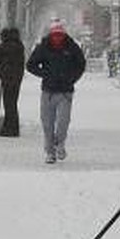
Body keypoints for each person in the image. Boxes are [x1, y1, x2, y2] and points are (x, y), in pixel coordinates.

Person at [26, 20, 86, 164]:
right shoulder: (43, 47)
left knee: (63, 123)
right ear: (50, 35)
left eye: (60, 35)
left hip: (66, 92)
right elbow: (30, 65)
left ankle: (59, 144)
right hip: (48, 92)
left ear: (64, 35)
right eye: (55, 35)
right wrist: (45, 74)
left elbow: (81, 64)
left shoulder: (71, 47)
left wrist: (72, 78)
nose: (57, 38)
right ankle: (50, 152)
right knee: (47, 123)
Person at [0, 27, 25, 137]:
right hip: (17, 79)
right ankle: (14, 128)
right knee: (13, 103)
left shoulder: (4, 47)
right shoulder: (20, 47)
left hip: (7, 79)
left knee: (8, 104)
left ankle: (9, 129)